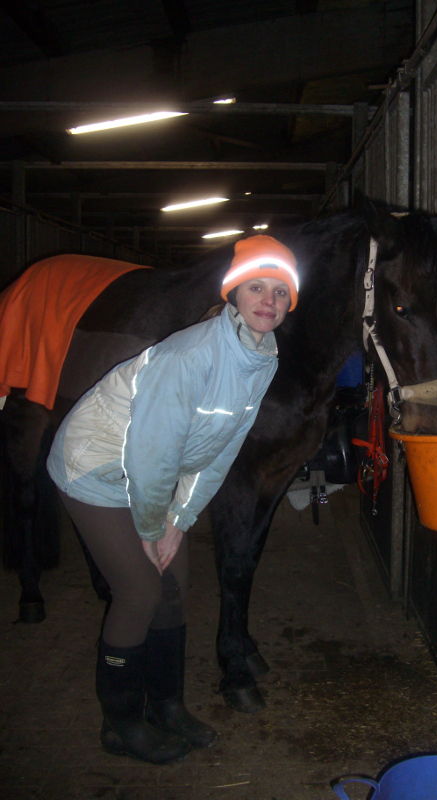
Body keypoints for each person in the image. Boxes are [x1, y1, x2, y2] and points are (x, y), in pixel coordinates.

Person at [47, 235, 299, 764]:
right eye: (256, 287)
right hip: (95, 466)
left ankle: (167, 705)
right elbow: (152, 453)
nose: (269, 300)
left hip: (146, 473)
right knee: (140, 589)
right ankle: (121, 722)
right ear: (234, 293)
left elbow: (221, 449)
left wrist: (179, 519)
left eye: (280, 291)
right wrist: (150, 527)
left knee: (174, 586)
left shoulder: (263, 358)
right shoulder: (191, 355)